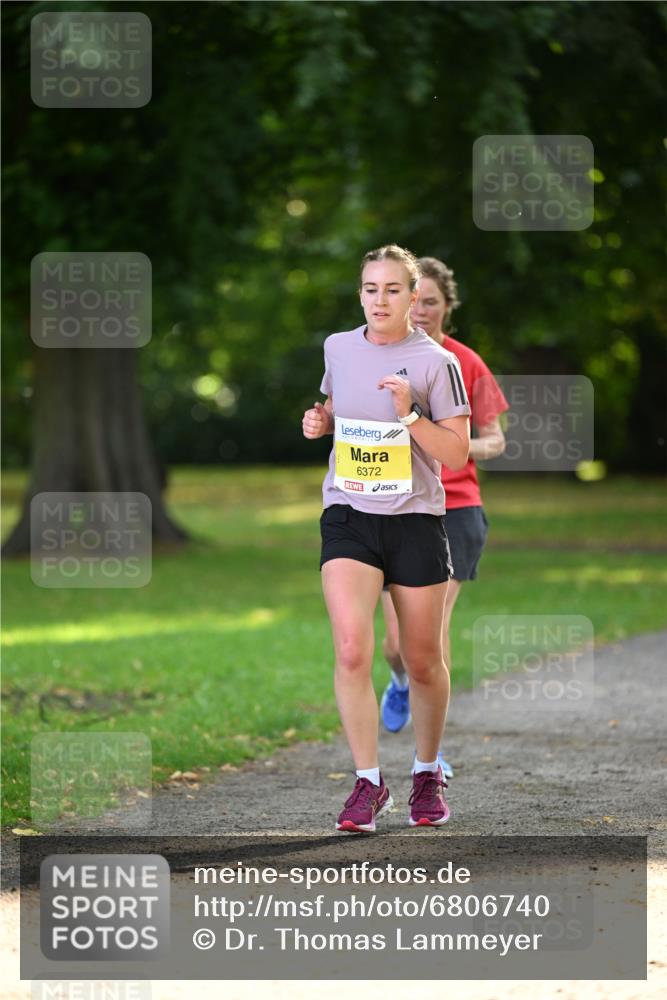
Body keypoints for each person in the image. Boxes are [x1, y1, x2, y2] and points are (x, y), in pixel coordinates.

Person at [302, 245, 471, 832]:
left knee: (423, 660)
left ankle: (426, 772)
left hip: (415, 520)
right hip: (348, 512)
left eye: (393, 290)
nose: (381, 299)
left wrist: (408, 415)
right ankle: (368, 784)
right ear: (361, 294)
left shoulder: (434, 362)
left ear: (412, 296)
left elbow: (455, 451)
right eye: (371, 289)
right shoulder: (338, 347)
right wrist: (319, 421)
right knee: (352, 649)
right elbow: (335, 405)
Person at [379, 257, 509, 779]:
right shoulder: (379, 358)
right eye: (417, 299)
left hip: (456, 509)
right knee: (396, 645)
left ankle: (430, 754)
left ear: (446, 307)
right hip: (396, 506)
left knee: (428, 633)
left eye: (433, 301)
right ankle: (403, 683)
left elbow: (496, 439)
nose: (424, 309)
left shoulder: (465, 363)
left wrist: (453, 445)